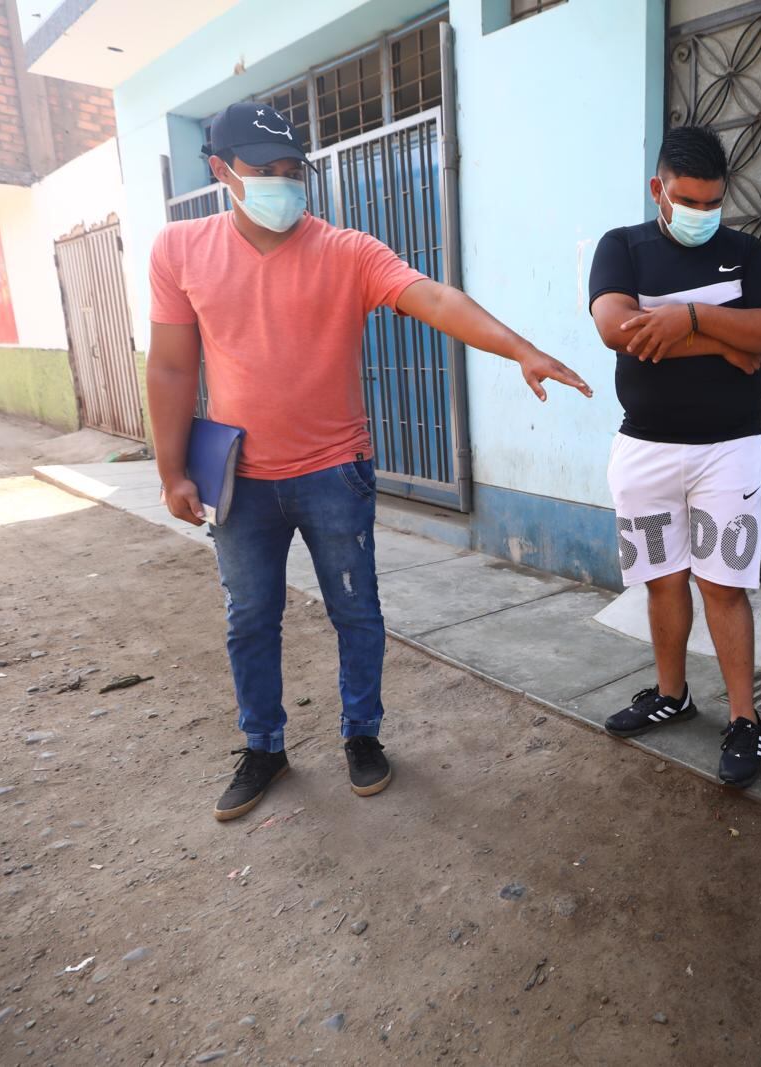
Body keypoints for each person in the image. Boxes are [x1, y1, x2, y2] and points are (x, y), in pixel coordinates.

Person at [147, 102, 591, 821]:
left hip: (333, 472)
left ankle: (363, 734)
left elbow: (434, 297)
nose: (285, 186)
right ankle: (263, 745)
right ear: (221, 171)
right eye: (267, 172)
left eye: (295, 173)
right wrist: (172, 470)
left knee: (356, 610)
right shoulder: (179, 251)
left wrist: (520, 348)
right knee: (249, 617)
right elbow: (171, 367)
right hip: (240, 481)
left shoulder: (346, 251)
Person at [586, 125, 761, 789]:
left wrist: (690, 322)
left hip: (728, 451)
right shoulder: (623, 247)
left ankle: (743, 717)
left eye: (713, 203)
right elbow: (616, 328)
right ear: (659, 189)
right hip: (644, 449)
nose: (702, 214)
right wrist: (729, 343)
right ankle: (672, 694)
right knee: (663, 581)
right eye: (688, 200)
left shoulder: (746, 253)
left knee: (723, 586)